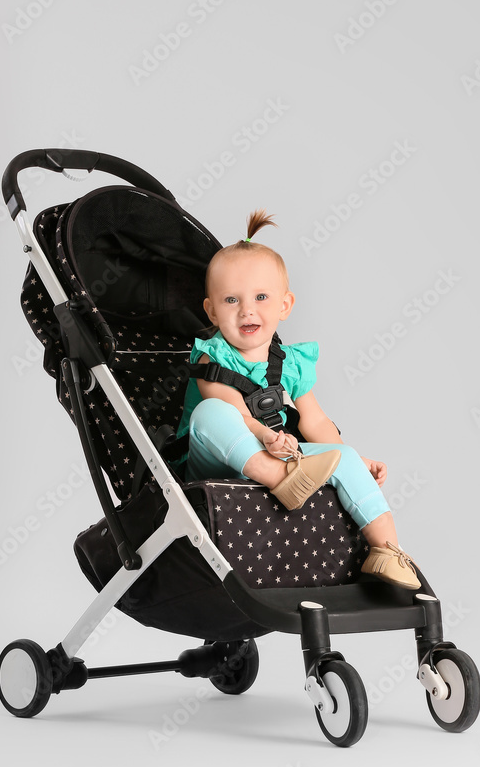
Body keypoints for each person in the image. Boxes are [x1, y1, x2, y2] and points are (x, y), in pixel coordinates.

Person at [175, 209, 420, 589]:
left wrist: (341, 454)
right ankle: (280, 477)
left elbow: (315, 422)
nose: (247, 310)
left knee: (347, 458)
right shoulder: (212, 356)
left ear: (284, 305)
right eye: (231, 300)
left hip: (285, 457)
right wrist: (270, 443)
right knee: (210, 412)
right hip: (218, 461)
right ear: (211, 309)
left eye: (260, 297)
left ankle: (387, 549)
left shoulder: (290, 363)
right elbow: (236, 412)